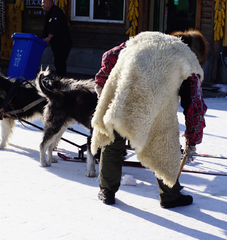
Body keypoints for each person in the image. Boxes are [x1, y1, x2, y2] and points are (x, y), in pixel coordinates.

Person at [92, 30, 208, 208]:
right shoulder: (187, 60)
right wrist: (193, 139)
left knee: (113, 141)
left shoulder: (147, 38)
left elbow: (110, 55)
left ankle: (107, 192)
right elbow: (194, 106)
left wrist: (102, 83)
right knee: (164, 146)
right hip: (156, 107)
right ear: (197, 54)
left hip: (123, 97)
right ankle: (170, 196)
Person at [41, 0, 72, 77]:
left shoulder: (56, 11)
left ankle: (62, 80)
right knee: (57, 62)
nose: (42, 4)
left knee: (60, 62)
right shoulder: (48, 14)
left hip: (63, 43)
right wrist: (42, 39)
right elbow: (46, 29)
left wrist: (48, 38)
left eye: (43, 2)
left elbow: (55, 26)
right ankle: (60, 79)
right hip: (56, 44)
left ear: (49, 2)